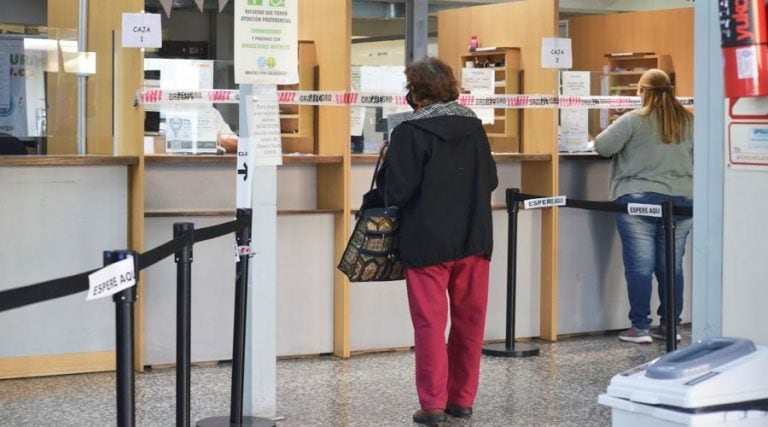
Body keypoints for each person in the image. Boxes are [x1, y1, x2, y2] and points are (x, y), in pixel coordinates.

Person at [376, 57, 498, 425]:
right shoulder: (474, 126)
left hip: (427, 241)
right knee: (470, 322)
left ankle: (432, 404)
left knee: (430, 323)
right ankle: (462, 399)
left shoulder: (409, 132)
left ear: (416, 91)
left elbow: (396, 190)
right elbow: (490, 180)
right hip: (474, 238)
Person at [594, 68, 693, 344]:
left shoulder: (634, 120)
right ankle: (670, 326)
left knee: (640, 265)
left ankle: (639, 327)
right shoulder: (689, 120)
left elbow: (602, 146)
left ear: (643, 91)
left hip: (638, 199)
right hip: (683, 202)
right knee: (671, 265)